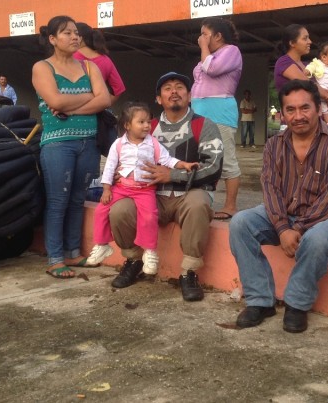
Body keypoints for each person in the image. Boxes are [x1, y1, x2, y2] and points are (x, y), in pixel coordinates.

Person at [230, 79, 328, 333]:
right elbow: (270, 188)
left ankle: (297, 304)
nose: (298, 116)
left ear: (318, 108)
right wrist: (283, 226)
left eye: (304, 108)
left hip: (326, 218)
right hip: (283, 215)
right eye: (290, 110)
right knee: (240, 223)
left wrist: (294, 228)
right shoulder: (275, 144)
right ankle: (260, 301)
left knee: (317, 241)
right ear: (283, 113)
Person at [107, 72, 223, 301]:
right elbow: (120, 155)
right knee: (119, 210)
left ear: (189, 96)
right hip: (149, 196)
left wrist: (173, 175)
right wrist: (117, 177)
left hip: (188, 195)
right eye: (167, 88)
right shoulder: (143, 126)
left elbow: (214, 167)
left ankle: (188, 272)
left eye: (180, 87)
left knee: (199, 204)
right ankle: (133, 261)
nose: (174, 92)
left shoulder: (204, 125)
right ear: (159, 99)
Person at [31, 15, 111, 279]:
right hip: (57, 144)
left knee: (78, 199)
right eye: (67, 33)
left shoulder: (89, 68)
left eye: (76, 33)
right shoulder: (42, 68)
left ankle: (73, 252)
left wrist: (68, 105)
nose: (75, 37)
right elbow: (54, 99)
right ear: (53, 39)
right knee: (57, 200)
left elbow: (105, 100)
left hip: (88, 143)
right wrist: (90, 97)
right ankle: (55, 258)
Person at [85, 102, 198, 273]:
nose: (147, 125)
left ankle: (150, 252)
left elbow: (167, 160)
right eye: (141, 122)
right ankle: (102, 245)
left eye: (148, 122)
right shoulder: (118, 144)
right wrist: (107, 189)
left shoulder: (153, 143)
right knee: (102, 210)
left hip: (145, 190)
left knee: (149, 217)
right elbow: (109, 167)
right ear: (127, 125)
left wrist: (184, 164)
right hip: (121, 188)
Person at [191, 17, 242, 221]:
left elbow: (211, 69)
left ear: (218, 36)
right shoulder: (209, 56)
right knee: (203, 160)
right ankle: (203, 203)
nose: (200, 38)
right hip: (200, 112)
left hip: (220, 112)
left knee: (226, 160)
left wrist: (204, 49)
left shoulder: (231, 51)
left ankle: (230, 206)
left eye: (204, 34)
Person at [273, 24, 328, 108]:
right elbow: (309, 84)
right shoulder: (284, 62)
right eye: (305, 38)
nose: (310, 41)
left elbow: (322, 86)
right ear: (292, 43)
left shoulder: (307, 65)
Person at [74, 22, 125, 103]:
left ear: (80, 38)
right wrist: (102, 105)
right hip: (97, 110)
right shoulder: (105, 59)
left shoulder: (70, 57)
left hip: (73, 109)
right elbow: (119, 89)